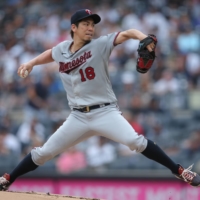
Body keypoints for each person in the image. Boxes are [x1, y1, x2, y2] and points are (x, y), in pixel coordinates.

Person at [0, 9, 200, 191]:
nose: (90, 28)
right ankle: (8, 178)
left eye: (92, 24)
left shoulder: (101, 44)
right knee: (43, 154)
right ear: (74, 28)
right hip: (77, 117)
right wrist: (31, 63)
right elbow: (50, 54)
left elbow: (128, 33)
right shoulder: (61, 49)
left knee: (134, 141)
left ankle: (179, 170)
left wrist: (145, 38)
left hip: (105, 112)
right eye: (85, 24)